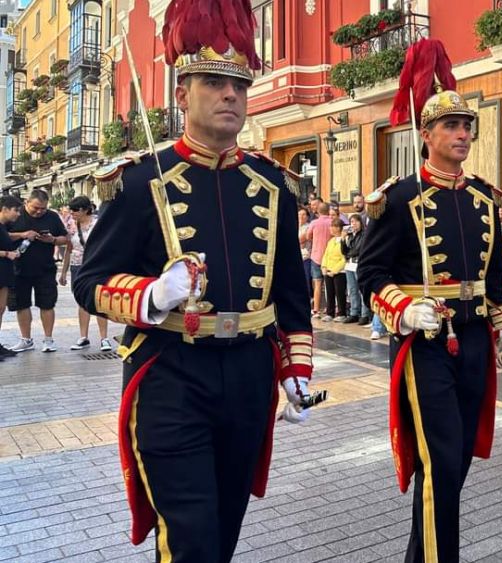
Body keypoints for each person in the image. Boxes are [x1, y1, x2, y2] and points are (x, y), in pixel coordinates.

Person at [71, 3, 315, 558]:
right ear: (182, 94)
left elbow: (290, 296)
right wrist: (152, 294)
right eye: (213, 83)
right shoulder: (140, 181)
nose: (230, 95)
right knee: (192, 538)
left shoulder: (272, 184)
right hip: (171, 375)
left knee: (223, 531)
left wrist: (295, 369)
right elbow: (91, 281)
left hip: (249, 375)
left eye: (239, 85)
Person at [356, 38, 502, 562]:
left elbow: (493, 275)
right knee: (441, 461)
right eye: (451, 126)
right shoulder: (400, 197)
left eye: (467, 125)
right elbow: (371, 273)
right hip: (426, 343)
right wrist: (402, 307)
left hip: (472, 340)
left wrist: (501, 324)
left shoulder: (483, 197)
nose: (462, 134)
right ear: (425, 134)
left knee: (456, 461)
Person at [7, 189, 68, 353]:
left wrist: (52, 239)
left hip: (45, 269)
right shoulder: (16, 215)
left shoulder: (52, 216)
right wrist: (23, 235)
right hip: (19, 269)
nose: (39, 211)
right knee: (21, 304)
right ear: (26, 202)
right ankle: (26, 339)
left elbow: (65, 238)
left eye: (43, 208)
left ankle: (48, 339)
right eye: (36, 208)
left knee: (47, 304)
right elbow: (4, 235)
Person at [59, 196, 112, 352]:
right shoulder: (71, 225)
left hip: (95, 266)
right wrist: (64, 272)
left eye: (75, 210)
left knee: (99, 300)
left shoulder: (98, 224)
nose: (72, 213)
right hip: (77, 266)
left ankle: (104, 338)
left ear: (85, 210)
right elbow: (69, 249)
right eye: (71, 210)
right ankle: (83, 337)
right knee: (81, 301)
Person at [302, 202, 333, 317]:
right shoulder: (332, 222)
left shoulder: (314, 223)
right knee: (330, 285)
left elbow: (307, 236)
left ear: (318, 211)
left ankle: (316, 310)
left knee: (317, 284)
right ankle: (329, 309)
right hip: (330, 256)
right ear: (328, 211)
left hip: (316, 255)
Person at [0, 195, 21, 359]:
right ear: (4, 209)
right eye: (16, 210)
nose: (18, 214)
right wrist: (7, 254)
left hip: (5, 272)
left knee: (1, 309)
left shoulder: (4, 227)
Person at [343, 213, 370, 325]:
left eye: (355, 221)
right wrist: (342, 240)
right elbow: (344, 251)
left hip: (359, 264)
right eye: (351, 222)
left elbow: (358, 249)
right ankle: (354, 312)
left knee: (361, 290)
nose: (353, 224)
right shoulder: (350, 236)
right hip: (349, 265)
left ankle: (364, 314)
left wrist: (348, 254)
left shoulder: (364, 234)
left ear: (360, 222)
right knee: (352, 289)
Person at [320, 219, 348, 323]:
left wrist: (335, 271)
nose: (331, 228)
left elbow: (344, 258)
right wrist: (324, 266)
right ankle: (330, 313)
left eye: (333, 226)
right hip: (328, 270)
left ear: (339, 228)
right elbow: (326, 255)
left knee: (339, 293)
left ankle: (342, 313)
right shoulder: (331, 241)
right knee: (330, 293)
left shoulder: (344, 240)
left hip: (339, 272)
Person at [297, 206, 312, 282]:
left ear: (307, 217)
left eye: (303, 214)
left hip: (305, 257)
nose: (301, 217)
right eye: (299, 214)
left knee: (306, 280)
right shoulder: (293, 226)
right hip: (295, 257)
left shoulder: (309, 227)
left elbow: (300, 240)